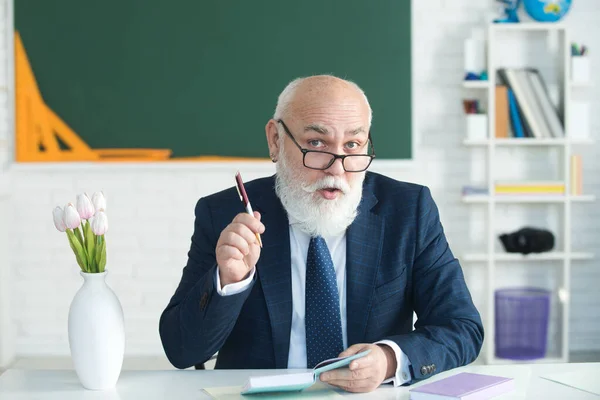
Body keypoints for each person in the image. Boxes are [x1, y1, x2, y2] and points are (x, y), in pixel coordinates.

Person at [159, 75, 483, 393]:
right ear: (275, 140)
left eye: (353, 145)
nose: (337, 169)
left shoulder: (409, 210)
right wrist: (229, 282)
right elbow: (182, 350)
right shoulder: (223, 215)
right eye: (316, 144)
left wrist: (389, 360)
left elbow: (461, 328)